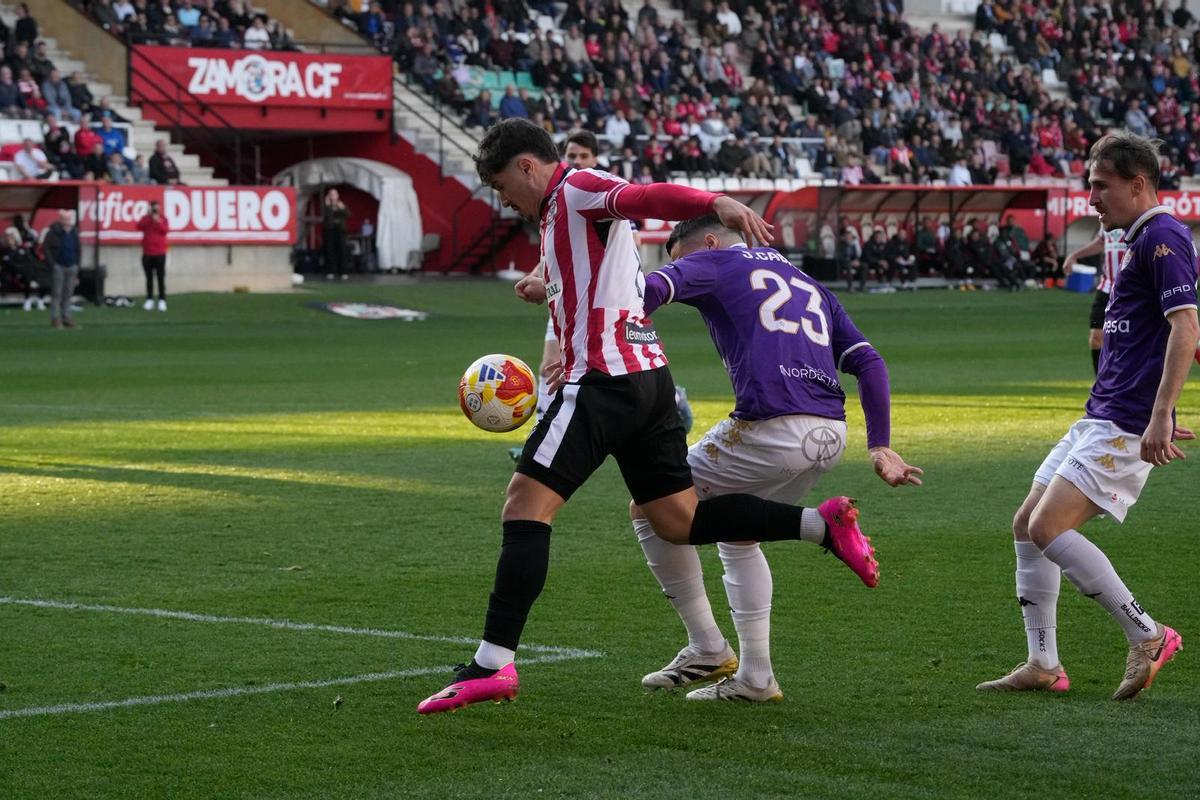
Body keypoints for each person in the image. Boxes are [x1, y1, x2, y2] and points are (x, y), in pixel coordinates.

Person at [417, 118, 877, 715]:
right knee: (676, 520)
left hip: (606, 380)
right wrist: (548, 293)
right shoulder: (557, 218)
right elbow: (605, 284)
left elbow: (642, 196)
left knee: (524, 507)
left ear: (527, 166)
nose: (503, 199)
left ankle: (492, 665)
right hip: (648, 384)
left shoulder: (577, 187)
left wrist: (716, 202)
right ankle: (820, 526)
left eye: (502, 184)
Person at [627, 215, 922, 701]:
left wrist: (600, 327)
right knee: (738, 536)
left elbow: (649, 288)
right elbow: (868, 361)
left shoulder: (716, 261)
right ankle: (756, 679)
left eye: (683, 258)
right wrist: (880, 444)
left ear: (706, 243)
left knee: (649, 506)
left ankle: (707, 643)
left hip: (770, 426)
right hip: (829, 434)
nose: (687, 272)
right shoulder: (807, 282)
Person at [977, 132, 1197, 700]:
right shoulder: (1139, 238)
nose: (1091, 197)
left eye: (1101, 185)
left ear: (1138, 182)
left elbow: (1186, 328)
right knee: (1027, 524)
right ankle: (1043, 663)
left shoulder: (1165, 236)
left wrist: (1159, 415)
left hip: (1126, 421)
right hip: (1103, 414)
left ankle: (1147, 634)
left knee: (1050, 527)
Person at [1063, 226, 1127, 374]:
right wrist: (1074, 255)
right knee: (1096, 338)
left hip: (1129, 291)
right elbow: (1100, 242)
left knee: (1127, 340)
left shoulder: (1132, 214)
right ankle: (1102, 386)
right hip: (1106, 288)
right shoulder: (1105, 217)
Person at [42, 209, 82, 330]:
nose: (67, 221)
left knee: (68, 293)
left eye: (68, 219)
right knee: (57, 293)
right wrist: (52, 264)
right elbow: (46, 248)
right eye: (65, 219)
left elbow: (78, 249)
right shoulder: (53, 232)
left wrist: (77, 264)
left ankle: (66, 317)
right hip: (58, 265)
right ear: (60, 220)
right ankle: (55, 318)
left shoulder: (74, 232)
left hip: (71, 265)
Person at [137, 200, 169, 311]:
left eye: (157, 208)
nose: (156, 210)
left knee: (161, 277)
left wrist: (157, 220)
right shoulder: (146, 219)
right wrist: (149, 217)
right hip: (147, 253)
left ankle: (162, 300)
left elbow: (165, 230)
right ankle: (149, 299)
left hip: (160, 253)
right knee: (149, 277)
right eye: (153, 208)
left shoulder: (163, 219)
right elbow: (139, 226)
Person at [321, 188, 349, 279]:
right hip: (329, 230)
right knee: (330, 250)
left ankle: (343, 271)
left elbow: (347, 215)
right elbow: (326, 217)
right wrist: (328, 206)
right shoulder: (326, 206)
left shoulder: (341, 204)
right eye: (331, 194)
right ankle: (330, 271)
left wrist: (342, 208)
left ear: (337, 196)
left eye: (334, 194)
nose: (333, 196)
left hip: (340, 230)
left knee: (342, 250)